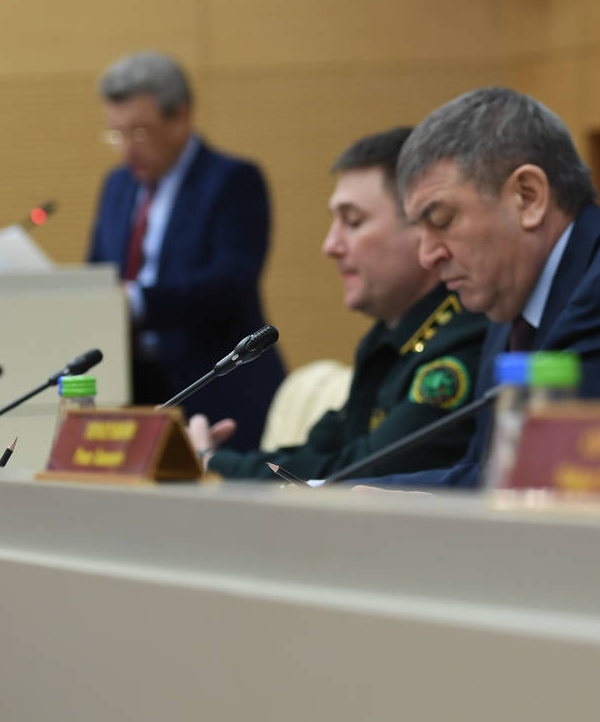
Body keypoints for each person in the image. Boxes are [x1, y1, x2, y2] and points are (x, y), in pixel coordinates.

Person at [365, 87, 600, 490]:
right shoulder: (509, 300)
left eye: (441, 220)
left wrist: (367, 498)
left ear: (528, 197)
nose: (427, 255)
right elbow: (487, 467)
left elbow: (549, 479)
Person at [195, 128, 489, 480]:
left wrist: (213, 464)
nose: (330, 246)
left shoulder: (464, 338)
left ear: (421, 226)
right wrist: (213, 460)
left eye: (353, 222)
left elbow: (360, 472)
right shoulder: (386, 337)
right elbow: (320, 453)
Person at [87, 52, 284, 452]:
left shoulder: (233, 181)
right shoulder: (116, 186)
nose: (125, 149)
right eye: (116, 133)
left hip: (216, 386)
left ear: (180, 117)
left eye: (138, 132)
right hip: (133, 388)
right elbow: (98, 272)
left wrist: (136, 302)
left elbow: (230, 283)